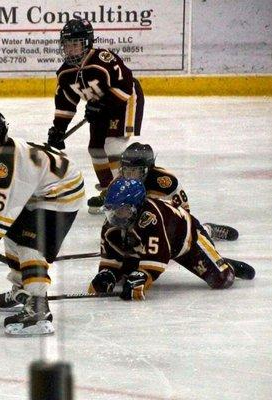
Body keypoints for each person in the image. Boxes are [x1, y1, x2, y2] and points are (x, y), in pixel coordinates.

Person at [0, 109, 85, 336]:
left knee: (30, 244)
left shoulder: (6, 163)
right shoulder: (3, 153)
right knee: (10, 229)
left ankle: (38, 308)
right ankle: (22, 288)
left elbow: (0, 216)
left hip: (60, 197)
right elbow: (2, 212)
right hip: (43, 192)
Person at [88, 178, 255, 300]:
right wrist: (107, 274)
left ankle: (216, 249)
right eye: (111, 210)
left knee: (222, 279)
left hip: (186, 241)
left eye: (121, 210)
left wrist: (142, 277)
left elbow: (157, 258)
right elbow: (110, 258)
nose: (115, 216)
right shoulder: (112, 224)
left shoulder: (150, 218)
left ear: (135, 207)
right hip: (159, 245)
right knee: (124, 275)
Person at [46, 17, 144, 214]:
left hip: (124, 101)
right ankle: (109, 190)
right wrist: (58, 129)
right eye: (67, 44)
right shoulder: (65, 73)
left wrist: (103, 105)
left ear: (87, 42)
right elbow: (65, 103)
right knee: (95, 149)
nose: (70, 49)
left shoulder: (103, 60)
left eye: (75, 44)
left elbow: (125, 85)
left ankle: (127, 194)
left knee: (113, 145)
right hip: (98, 107)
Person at [106, 142, 238, 241]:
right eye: (126, 170)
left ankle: (208, 230)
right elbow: (113, 211)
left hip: (163, 222)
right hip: (137, 222)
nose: (128, 176)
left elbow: (184, 214)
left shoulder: (165, 183)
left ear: (147, 168)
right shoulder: (120, 180)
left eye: (134, 171)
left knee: (192, 237)